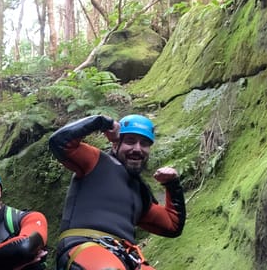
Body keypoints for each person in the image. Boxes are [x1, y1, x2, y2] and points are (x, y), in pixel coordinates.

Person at [48, 114, 186, 270]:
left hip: (125, 257)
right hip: (85, 248)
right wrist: (102, 123)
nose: (137, 149)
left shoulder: (140, 192)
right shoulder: (96, 161)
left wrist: (172, 184)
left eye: (144, 144)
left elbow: (172, 225)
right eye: (130, 141)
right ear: (115, 145)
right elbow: (59, 142)